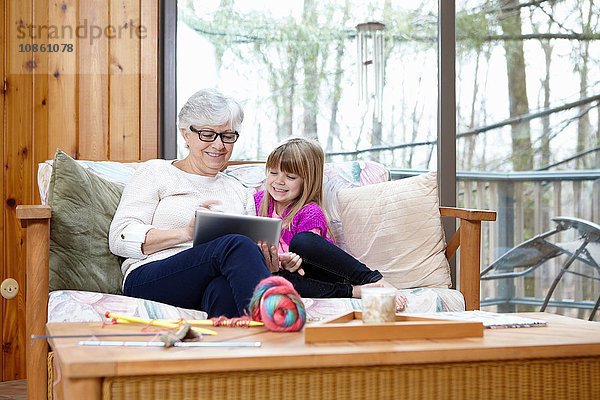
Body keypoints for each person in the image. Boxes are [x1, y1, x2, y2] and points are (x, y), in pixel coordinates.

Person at [109, 88, 275, 318]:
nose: (219, 145)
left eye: (228, 136)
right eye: (208, 134)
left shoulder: (240, 190)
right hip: (151, 276)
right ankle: (277, 322)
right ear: (186, 134)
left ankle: (236, 348)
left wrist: (264, 259)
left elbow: (244, 260)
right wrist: (185, 233)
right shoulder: (155, 172)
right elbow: (119, 238)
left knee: (223, 288)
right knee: (234, 244)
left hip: (209, 281)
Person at [255, 138, 407, 311]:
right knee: (269, 278)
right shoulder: (258, 202)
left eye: (290, 176)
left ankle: (374, 280)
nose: (279, 181)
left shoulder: (310, 212)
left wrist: (293, 262)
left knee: (302, 241)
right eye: (273, 173)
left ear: (307, 181)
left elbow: (308, 260)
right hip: (291, 278)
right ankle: (355, 291)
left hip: (317, 274)